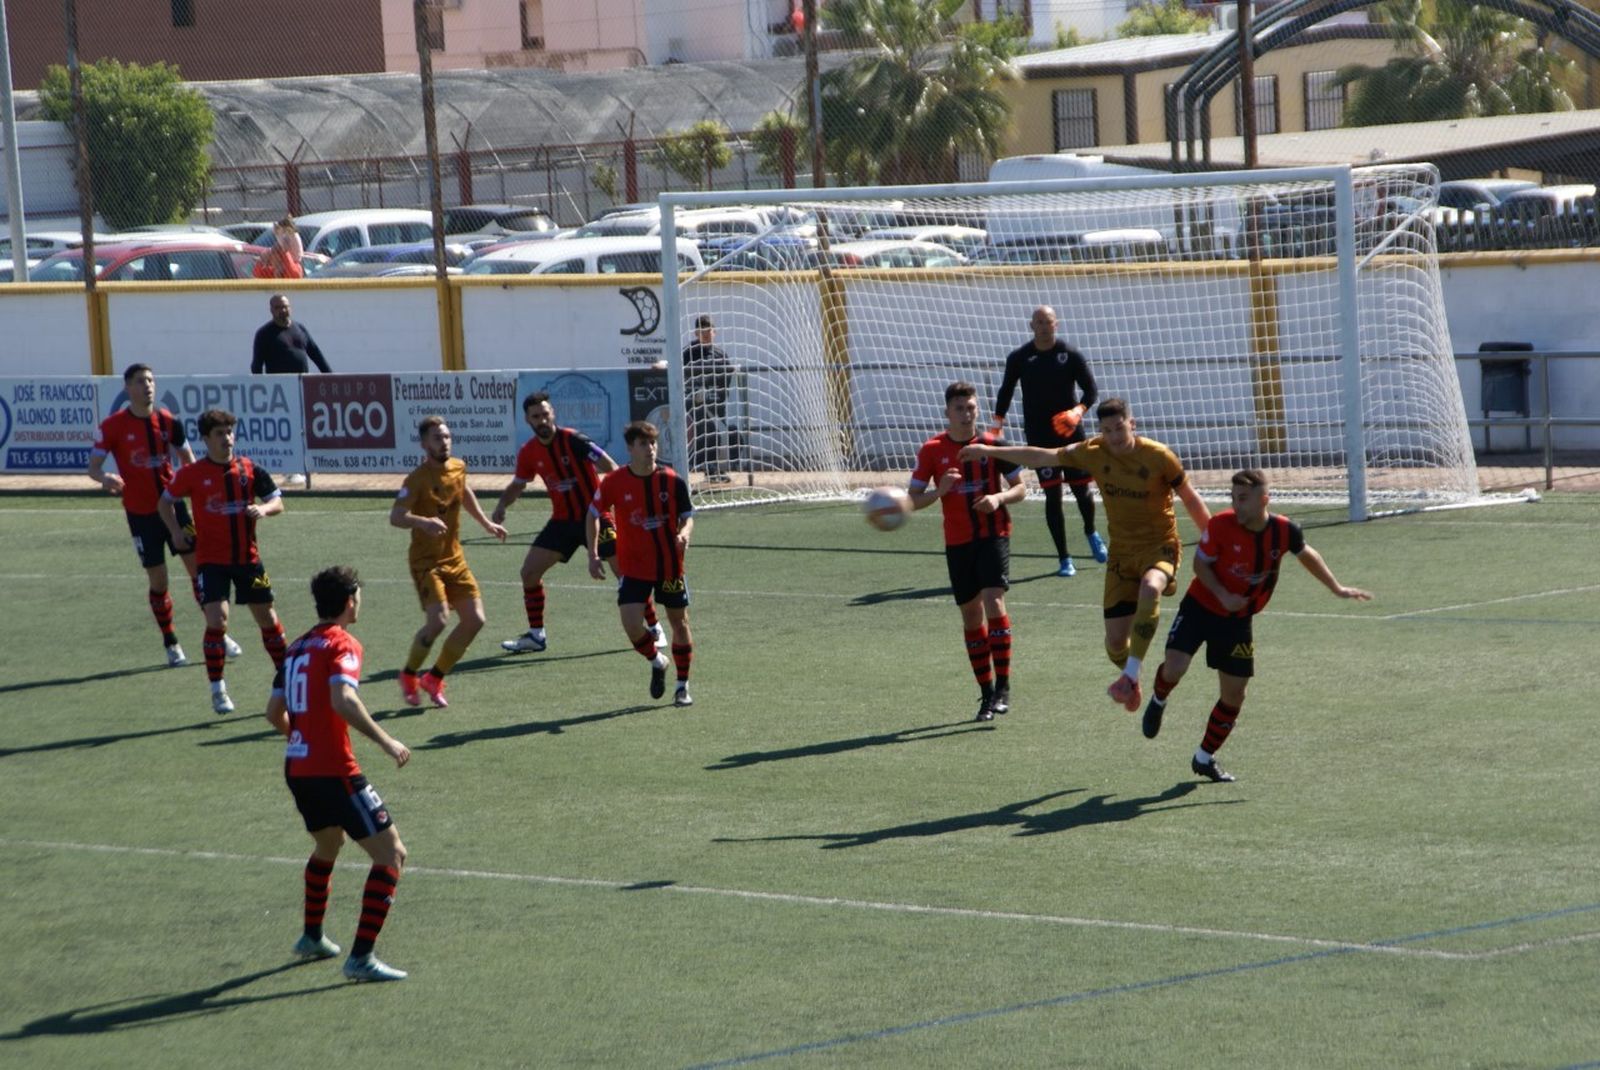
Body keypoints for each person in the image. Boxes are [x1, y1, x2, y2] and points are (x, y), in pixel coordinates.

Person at [959, 397, 1211, 716]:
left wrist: (1214, 540)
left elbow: (1190, 498)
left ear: (1131, 424)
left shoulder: (1159, 457)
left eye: (1119, 428)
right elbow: (1042, 456)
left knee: (1150, 587)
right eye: (1107, 431)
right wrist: (989, 451)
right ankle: (1132, 678)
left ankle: (1130, 675)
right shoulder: (1094, 452)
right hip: (1121, 552)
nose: (1115, 437)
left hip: (1159, 546)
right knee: (1115, 644)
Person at [1141, 470, 1372, 782]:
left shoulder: (1284, 531)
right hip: (1201, 608)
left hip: (1237, 620)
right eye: (1234, 497)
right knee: (1175, 667)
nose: (1236, 505)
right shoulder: (1220, 525)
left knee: (1235, 694)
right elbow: (1200, 564)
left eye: (1244, 499)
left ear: (1264, 499)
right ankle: (1158, 699)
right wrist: (1223, 594)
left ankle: (1204, 757)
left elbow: (1306, 554)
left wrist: (1336, 587)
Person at [265, 565, 411, 982]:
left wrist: (302, 737)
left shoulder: (295, 647)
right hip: (333, 769)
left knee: (328, 844)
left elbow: (273, 713)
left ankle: (312, 936)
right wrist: (386, 741)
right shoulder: (342, 643)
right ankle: (361, 958)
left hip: (298, 767)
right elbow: (343, 699)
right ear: (350, 602)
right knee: (392, 854)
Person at [88, 363, 242, 667]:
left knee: (200, 575)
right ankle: (171, 642)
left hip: (175, 509)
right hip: (141, 515)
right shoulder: (112, 426)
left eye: (150, 380)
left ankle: (218, 634)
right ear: (127, 387)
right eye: (140, 381)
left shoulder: (169, 421)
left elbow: (189, 460)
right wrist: (105, 478)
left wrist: (196, 485)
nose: (147, 385)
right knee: (159, 581)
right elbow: (93, 468)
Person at [492, 392, 663, 654]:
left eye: (546, 414)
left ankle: (654, 628)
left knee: (626, 575)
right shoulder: (529, 452)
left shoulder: (574, 440)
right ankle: (537, 636)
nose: (542, 420)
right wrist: (502, 505)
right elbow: (519, 483)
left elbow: (609, 465)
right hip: (562, 522)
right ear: (527, 420)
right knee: (529, 572)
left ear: (553, 414)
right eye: (536, 416)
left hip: (596, 516)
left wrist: (624, 497)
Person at [910, 381, 1028, 722]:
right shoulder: (932, 450)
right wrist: (939, 491)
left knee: (994, 600)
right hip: (957, 542)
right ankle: (986, 693)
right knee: (971, 616)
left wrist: (999, 498)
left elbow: (1021, 488)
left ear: (978, 410)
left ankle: (1004, 686)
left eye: (971, 408)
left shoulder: (993, 445)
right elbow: (912, 500)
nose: (966, 414)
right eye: (959, 408)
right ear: (947, 413)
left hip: (993, 535)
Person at [159, 409, 288, 715]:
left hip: (248, 561)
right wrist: (176, 532)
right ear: (206, 439)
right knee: (217, 621)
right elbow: (165, 502)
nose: (227, 438)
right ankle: (218, 690)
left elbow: (277, 501)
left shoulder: (249, 469)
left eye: (230, 432)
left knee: (268, 620)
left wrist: (264, 510)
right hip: (211, 562)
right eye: (219, 433)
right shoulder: (192, 473)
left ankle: (289, 681)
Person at [390, 415, 508, 708]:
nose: (444, 442)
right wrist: (423, 522)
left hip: (454, 559)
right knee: (438, 620)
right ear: (424, 444)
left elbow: (463, 491)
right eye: (437, 438)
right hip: (426, 562)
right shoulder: (415, 480)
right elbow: (396, 516)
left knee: (475, 620)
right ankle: (408, 674)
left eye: (446, 437)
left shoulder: (458, 467)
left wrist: (485, 524)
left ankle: (434, 677)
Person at [587, 421, 697, 706]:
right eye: (643, 444)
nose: (650, 449)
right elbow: (592, 514)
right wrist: (592, 554)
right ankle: (657, 660)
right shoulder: (613, 481)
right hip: (634, 566)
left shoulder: (672, 480)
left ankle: (682, 686)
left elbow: (687, 515)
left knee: (679, 622)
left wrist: (684, 533)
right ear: (630, 449)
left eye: (653, 443)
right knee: (631, 623)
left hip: (670, 564)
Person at [993, 305, 1105, 578]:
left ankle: (1091, 531)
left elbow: (1091, 391)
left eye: (1048, 322)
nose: (1044, 326)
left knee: (1082, 491)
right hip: (1039, 437)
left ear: (1057, 324)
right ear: (1031, 326)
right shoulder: (1019, 357)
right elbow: (1006, 390)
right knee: (1052, 494)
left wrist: (1077, 412)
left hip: (1070, 435)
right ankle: (1064, 558)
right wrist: (997, 425)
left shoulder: (1071, 354)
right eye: (1039, 322)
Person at [682, 313, 735, 482]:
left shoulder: (720, 354)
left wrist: (719, 398)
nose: (706, 334)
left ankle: (716, 468)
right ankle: (709, 469)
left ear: (715, 332)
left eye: (709, 330)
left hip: (715, 402)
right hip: (693, 403)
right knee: (710, 430)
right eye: (702, 331)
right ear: (696, 333)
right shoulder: (688, 352)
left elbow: (727, 379)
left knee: (720, 432)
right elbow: (677, 370)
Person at [252, 294, 331, 375]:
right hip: (279, 385)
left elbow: (317, 356)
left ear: (290, 308)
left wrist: (331, 377)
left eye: (285, 307)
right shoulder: (264, 334)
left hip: (301, 383)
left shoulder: (300, 329)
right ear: (271, 310)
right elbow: (257, 366)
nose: (283, 310)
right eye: (277, 307)